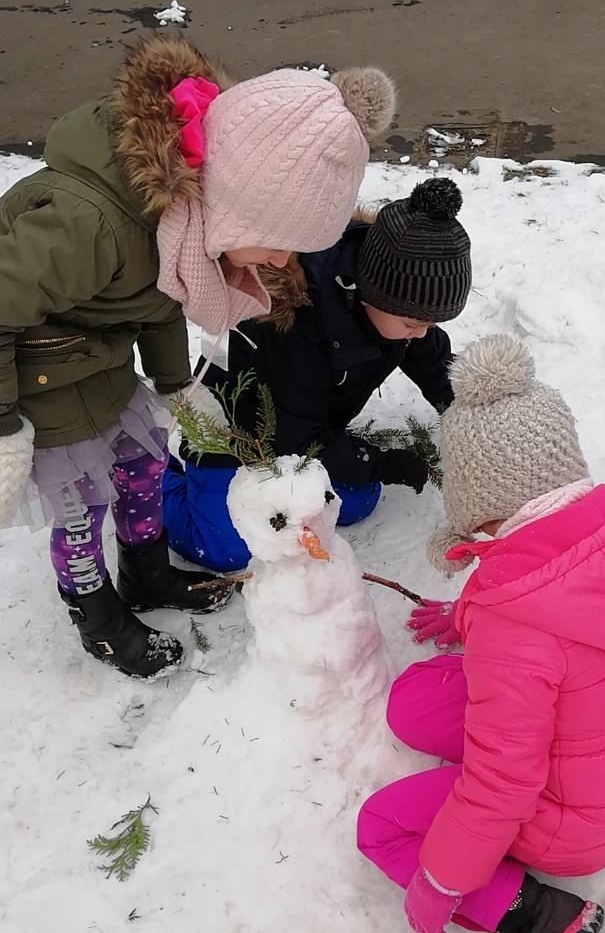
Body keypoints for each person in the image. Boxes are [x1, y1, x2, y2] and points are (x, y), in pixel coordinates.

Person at [0, 34, 395, 677]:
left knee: (141, 466)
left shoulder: (180, 223)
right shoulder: (90, 225)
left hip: (97, 358)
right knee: (80, 503)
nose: (280, 265)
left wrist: (175, 383)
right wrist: (5, 427)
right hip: (36, 371)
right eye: (278, 246)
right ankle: (97, 618)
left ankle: (146, 573)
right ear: (242, 206)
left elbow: (152, 301)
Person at [357, 334, 605, 933]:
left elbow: (502, 786)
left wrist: (440, 883)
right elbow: (557, 622)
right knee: (414, 700)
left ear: (484, 502)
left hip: (571, 816)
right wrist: (472, 616)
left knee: (380, 826)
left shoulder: (515, 626)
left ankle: (538, 916)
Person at [162, 178, 472, 573]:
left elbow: (434, 364)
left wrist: (475, 413)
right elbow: (296, 438)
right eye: (414, 322)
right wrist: (382, 463)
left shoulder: (396, 309)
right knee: (227, 548)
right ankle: (157, 483)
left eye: (431, 323)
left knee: (358, 499)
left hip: (299, 425)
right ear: (371, 294)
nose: (422, 332)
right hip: (232, 429)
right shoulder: (297, 323)